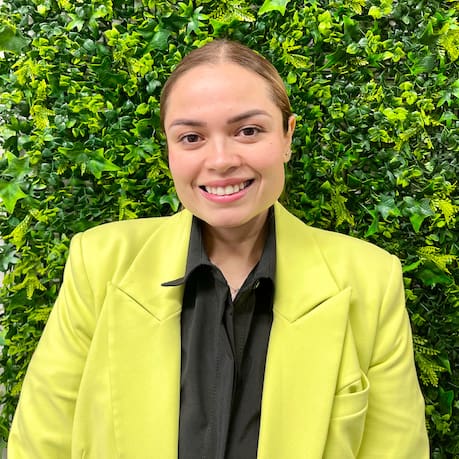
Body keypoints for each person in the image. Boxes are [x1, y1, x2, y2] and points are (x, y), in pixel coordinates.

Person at [8, 39, 429, 458]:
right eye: (191, 137)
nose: (221, 159)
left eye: (248, 130)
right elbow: (40, 445)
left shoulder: (370, 280)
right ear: (169, 150)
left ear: (287, 136)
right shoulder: (99, 263)